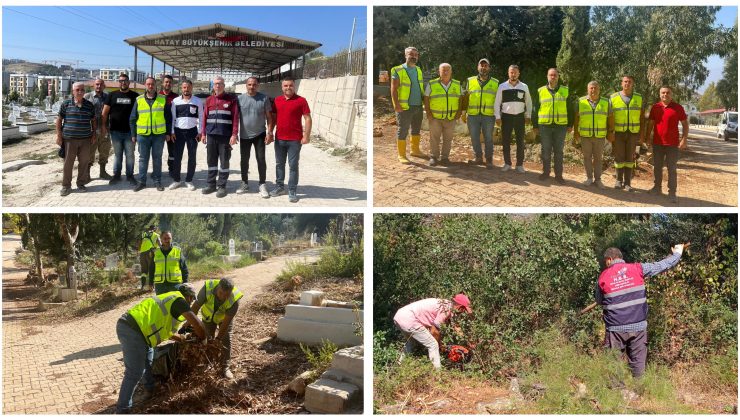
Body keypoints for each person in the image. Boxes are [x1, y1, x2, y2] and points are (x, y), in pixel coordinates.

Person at [595, 244, 685, 377]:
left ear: (609, 259)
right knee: (638, 363)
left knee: (614, 364)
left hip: (615, 330)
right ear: (620, 258)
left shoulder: (603, 277)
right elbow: (661, 265)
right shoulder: (638, 268)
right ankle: (638, 392)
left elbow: (599, 301)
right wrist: (677, 254)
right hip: (638, 327)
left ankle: (617, 393)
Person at [115, 283, 206, 414]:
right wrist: (204, 340)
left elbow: (167, 331)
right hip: (132, 330)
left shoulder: (171, 301)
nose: (191, 304)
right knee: (134, 372)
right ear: (189, 297)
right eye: (192, 300)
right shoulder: (179, 300)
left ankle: (150, 389)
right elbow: (197, 323)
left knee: (148, 359)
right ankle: (122, 409)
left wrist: (183, 339)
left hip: (138, 331)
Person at [393, 293, 472, 369]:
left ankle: (398, 366)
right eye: (464, 309)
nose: (463, 312)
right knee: (433, 345)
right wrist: (440, 346)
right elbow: (434, 331)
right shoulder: (446, 309)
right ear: (459, 307)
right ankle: (437, 374)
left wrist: (468, 342)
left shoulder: (447, 305)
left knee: (412, 343)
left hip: (400, 316)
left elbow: (456, 326)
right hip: (409, 319)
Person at [189, 278, 244, 379]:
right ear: (218, 287)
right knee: (207, 339)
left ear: (230, 292)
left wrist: (218, 339)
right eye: (221, 293)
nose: (223, 297)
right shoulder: (207, 288)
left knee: (226, 339)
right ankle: (208, 363)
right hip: (208, 317)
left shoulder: (234, 299)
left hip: (223, 319)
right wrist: (190, 323)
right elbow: (196, 306)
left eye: (226, 295)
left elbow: (226, 323)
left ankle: (225, 367)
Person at [269, 77, 312, 203]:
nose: (288, 88)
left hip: (295, 140)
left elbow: (308, 118)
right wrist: (270, 132)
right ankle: (279, 187)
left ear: (294, 86)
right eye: (285, 86)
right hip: (279, 139)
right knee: (279, 164)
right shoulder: (277, 100)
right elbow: (273, 118)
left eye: (290, 85)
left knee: (293, 166)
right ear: (282, 87)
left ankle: (292, 190)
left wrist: (306, 136)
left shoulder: (301, 101)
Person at [646, 85, 688, 203]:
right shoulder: (656, 107)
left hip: (672, 144)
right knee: (657, 167)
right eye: (663, 93)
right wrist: (648, 137)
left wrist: (684, 139)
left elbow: (685, 124)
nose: (665, 94)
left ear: (671, 94)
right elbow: (651, 123)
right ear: (660, 94)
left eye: (668, 93)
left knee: (672, 168)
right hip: (657, 143)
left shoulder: (678, 108)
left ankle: (672, 193)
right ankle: (657, 188)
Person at [129, 76, 172, 192]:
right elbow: (132, 118)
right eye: (148, 84)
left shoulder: (162, 99)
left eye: (152, 84)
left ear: (155, 85)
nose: (150, 86)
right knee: (143, 159)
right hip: (143, 135)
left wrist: (168, 133)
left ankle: (157, 181)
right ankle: (142, 182)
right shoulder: (139, 100)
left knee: (157, 158)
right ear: (145, 85)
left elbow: (168, 118)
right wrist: (133, 134)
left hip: (159, 135)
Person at [533, 68, 574, 184]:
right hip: (544, 126)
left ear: (558, 77)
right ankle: (546, 172)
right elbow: (535, 109)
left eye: (555, 75)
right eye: (551, 75)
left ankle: (559, 175)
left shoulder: (565, 90)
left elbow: (570, 109)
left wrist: (570, 124)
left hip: (560, 126)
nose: (553, 77)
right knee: (545, 150)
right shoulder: (540, 91)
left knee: (559, 151)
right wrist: (535, 125)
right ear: (547, 76)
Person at [236, 76, 274, 198]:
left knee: (261, 160)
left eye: (254, 84)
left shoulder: (264, 98)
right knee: (244, 160)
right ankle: (244, 183)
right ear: (246, 85)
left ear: (258, 85)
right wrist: (233, 133)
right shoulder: (240, 99)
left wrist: (269, 133)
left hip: (260, 135)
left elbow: (269, 117)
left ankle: (262, 184)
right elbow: (235, 118)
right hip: (244, 136)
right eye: (249, 84)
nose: (252, 87)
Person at [202, 76, 239, 198]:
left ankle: (222, 186)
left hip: (225, 137)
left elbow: (235, 119)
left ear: (224, 85)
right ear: (213, 86)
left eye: (220, 83)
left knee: (224, 162)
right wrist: (203, 134)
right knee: (211, 161)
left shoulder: (231, 100)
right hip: (211, 135)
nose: (218, 86)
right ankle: (211, 184)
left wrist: (234, 134)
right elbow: (204, 118)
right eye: (216, 84)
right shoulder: (208, 100)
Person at [56, 82, 96, 196]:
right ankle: (66, 186)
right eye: (77, 90)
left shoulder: (89, 105)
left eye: (82, 90)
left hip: (85, 140)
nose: (80, 92)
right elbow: (59, 120)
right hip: (69, 140)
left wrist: (93, 134)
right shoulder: (66, 104)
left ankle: (81, 183)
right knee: (68, 164)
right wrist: (59, 135)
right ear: (73, 91)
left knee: (84, 162)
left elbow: (93, 120)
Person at [574, 81, 614, 189]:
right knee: (587, 157)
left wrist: (611, 132)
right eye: (591, 88)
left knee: (598, 158)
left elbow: (610, 118)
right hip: (585, 136)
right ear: (588, 89)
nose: (593, 90)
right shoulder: (581, 101)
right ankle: (589, 178)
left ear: (599, 89)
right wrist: (576, 132)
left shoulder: (606, 102)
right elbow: (576, 118)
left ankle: (598, 180)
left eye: (595, 88)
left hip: (600, 136)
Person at [609, 75, 646, 192]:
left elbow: (642, 118)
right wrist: (610, 132)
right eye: (625, 81)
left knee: (630, 157)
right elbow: (610, 117)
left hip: (633, 133)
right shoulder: (613, 97)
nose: (627, 84)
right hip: (619, 133)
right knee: (619, 157)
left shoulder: (639, 98)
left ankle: (628, 183)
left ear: (633, 84)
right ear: (621, 83)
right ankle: (618, 181)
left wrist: (641, 135)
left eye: (629, 82)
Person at [494, 65, 532, 173]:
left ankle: (519, 165)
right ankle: (507, 163)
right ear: (508, 73)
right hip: (506, 117)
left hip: (520, 117)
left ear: (519, 73)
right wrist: (497, 117)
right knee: (506, 141)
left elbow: (528, 102)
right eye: (511, 72)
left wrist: (528, 115)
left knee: (520, 141)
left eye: (515, 72)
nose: (513, 74)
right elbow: (497, 102)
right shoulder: (502, 86)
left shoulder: (524, 86)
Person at [102, 73, 139, 186]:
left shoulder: (135, 96)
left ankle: (130, 176)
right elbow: (105, 113)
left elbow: (139, 114)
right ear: (119, 82)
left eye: (125, 80)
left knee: (130, 155)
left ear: (129, 82)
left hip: (130, 132)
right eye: (121, 81)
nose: (123, 82)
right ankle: (116, 175)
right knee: (118, 155)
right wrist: (104, 126)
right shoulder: (112, 95)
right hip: (115, 132)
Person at [390, 46, 425, 164]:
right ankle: (401, 155)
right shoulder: (398, 70)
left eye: (416, 55)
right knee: (403, 130)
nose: (413, 56)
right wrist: (396, 105)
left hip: (418, 106)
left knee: (416, 129)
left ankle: (415, 150)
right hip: (404, 107)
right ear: (405, 55)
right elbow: (394, 89)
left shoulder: (419, 70)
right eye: (411, 54)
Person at [462, 59, 498, 168]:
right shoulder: (470, 80)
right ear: (478, 67)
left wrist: (499, 115)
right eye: (481, 66)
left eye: (486, 66)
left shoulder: (495, 82)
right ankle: (478, 157)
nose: (483, 68)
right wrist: (463, 112)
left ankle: (489, 160)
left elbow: (499, 100)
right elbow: (465, 97)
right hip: (473, 115)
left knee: (488, 137)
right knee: (474, 137)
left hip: (489, 115)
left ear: (489, 68)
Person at [423, 63, 461, 166]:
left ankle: (445, 158)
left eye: (447, 70)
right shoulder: (432, 84)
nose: (445, 72)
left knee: (448, 139)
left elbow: (461, 98)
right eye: (443, 70)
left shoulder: (457, 84)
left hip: (450, 118)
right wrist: (429, 114)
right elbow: (426, 98)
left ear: (451, 71)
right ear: (439, 72)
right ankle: (434, 157)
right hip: (435, 118)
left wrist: (459, 112)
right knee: (434, 138)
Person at [169, 79, 204, 191]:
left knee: (192, 157)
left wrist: (200, 132)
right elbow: (172, 118)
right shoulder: (175, 101)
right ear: (181, 88)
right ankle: (176, 180)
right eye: (184, 87)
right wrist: (172, 132)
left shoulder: (197, 101)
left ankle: (189, 180)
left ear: (191, 87)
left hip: (192, 132)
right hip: (178, 132)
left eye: (188, 87)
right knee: (177, 157)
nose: (186, 89)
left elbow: (201, 117)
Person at [83, 78, 112, 180]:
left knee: (104, 151)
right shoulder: (87, 97)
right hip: (92, 131)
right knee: (90, 153)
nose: (99, 86)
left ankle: (102, 172)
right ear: (93, 86)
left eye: (101, 84)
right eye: (97, 84)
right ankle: (87, 174)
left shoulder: (108, 97)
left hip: (105, 130)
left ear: (104, 86)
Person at [152, 231, 188, 295]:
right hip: (160, 285)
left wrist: (185, 282)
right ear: (161, 239)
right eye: (165, 239)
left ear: (171, 239)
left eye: (169, 238)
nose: (167, 240)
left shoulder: (177, 251)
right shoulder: (156, 252)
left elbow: (184, 268)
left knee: (175, 304)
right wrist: (150, 283)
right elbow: (151, 268)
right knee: (161, 304)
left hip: (175, 284)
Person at [159, 75, 179, 179]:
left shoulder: (176, 97)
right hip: (159, 129)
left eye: (170, 82)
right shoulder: (157, 96)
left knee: (172, 152)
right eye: (166, 82)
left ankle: (171, 170)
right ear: (162, 83)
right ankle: (157, 172)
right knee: (157, 152)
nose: (168, 84)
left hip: (172, 130)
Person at [138, 225, 160, 291]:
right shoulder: (156, 235)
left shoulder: (143, 234)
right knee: (151, 269)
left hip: (142, 253)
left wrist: (139, 251)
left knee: (144, 271)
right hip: (150, 252)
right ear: (155, 229)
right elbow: (160, 243)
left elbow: (139, 244)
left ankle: (142, 286)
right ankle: (151, 286)